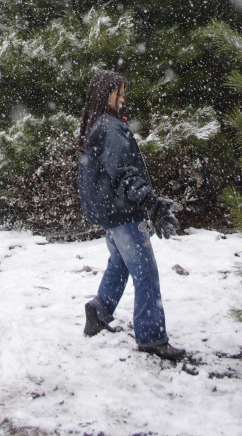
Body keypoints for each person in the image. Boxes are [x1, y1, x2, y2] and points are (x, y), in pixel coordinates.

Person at [77, 70, 185, 361]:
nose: (123, 98)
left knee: (119, 263)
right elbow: (123, 173)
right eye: (119, 93)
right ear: (106, 94)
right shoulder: (109, 127)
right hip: (122, 212)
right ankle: (152, 338)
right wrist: (150, 202)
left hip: (111, 212)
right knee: (146, 274)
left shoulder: (99, 123)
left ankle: (99, 311)